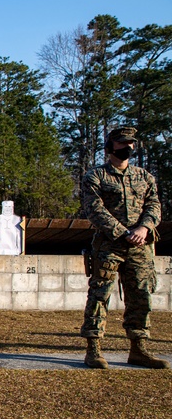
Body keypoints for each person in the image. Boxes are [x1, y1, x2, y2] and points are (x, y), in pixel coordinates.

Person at [81, 126, 168, 369]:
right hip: (110, 245)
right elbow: (95, 209)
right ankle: (94, 349)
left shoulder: (144, 176)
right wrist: (123, 232)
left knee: (141, 296)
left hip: (141, 246)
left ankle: (138, 349)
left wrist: (144, 229)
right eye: (122, 143)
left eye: (131, 143)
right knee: (100, 295)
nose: (128, 148)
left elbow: (154, 205)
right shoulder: (96, 176)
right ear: (110, 147)